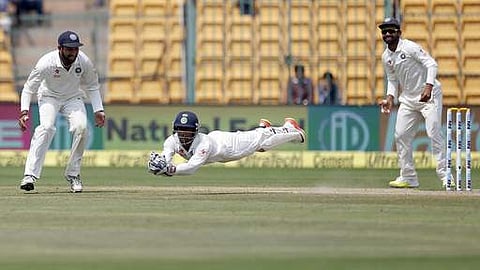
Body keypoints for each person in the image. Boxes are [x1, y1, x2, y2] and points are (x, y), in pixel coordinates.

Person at [18, 30, 106, 193]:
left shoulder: (84, 61)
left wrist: (98, 110)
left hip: (73, 97)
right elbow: (29, 88)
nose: (73, 52)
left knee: (82, 128)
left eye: (75, 48)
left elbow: (93, 86)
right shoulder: (46, 62)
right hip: (49, 96)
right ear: (60, 48)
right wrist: (24, 111)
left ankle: (73, 174)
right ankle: (30, 175)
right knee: (46, 128)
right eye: (69, 49)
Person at [378, 17, 448, 188]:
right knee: (400, 135)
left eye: (391, 31)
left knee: (434, 133)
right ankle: (408, 176)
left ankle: (446, 176)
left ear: (399, 33)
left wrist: (428, 87)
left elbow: (431, 64)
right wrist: (389, 98)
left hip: (429, 96)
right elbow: (393, 79)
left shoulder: (409, 47)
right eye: (384, 31)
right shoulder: (386, 56)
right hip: (408, 99)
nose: (387, 34)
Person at [147, 111, 305, 176]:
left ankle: (290, 129)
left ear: (194, 131)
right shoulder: (171, 141)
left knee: (260, 138)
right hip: (218, 146)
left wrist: (170, 170)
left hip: (229, 147)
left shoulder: (203, 144)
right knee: (261, 146)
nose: (183, 134)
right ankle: (265, 127)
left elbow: (192, 168)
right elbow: (165, 157)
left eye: (187, 131)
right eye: (180, 130)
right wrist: (161, 164)